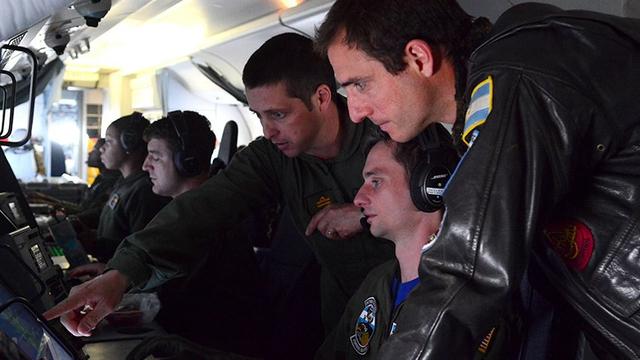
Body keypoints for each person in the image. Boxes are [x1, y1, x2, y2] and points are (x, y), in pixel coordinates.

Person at [315, 1, 640, 359]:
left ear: (418, 58)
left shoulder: (519, 76)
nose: (356, 112)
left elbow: (467, 268)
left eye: (360, 85)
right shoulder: (499, 90)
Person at [44, 33, 395, 348]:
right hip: (344, 320)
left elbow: (442, 207)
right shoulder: (272, 157)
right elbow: (199, 211)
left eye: (278, 114)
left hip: (410, 311)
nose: (268, 130)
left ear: (320, 98)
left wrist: (366, 214)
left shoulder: (389, 135)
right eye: (259, 116)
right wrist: (121, 273)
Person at [315, 129, 483, 359]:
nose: (358, 199)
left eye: (376, 182)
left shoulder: (470, 304)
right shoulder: (377, 283)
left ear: (428, 187)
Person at [141, 110, 267, 357]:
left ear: (187, 161)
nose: (146, 165)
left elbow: (181, 309)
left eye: (155, 157)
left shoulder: (209, 228)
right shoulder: (187, 217)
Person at [91, 112, 170, 262]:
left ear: (129, 143)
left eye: (108, 141)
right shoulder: (124, 182)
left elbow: (140, 252)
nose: (102, 148)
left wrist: (93, 244)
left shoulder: (145, 190)